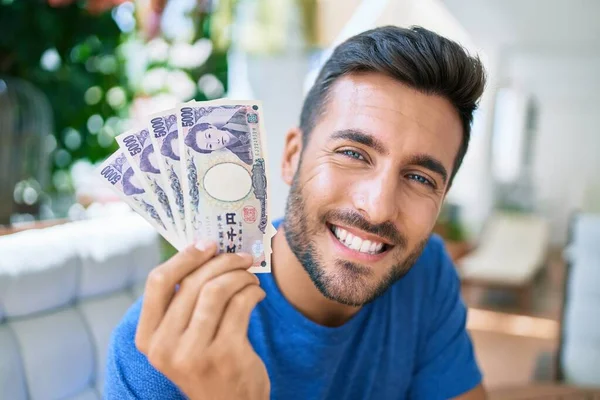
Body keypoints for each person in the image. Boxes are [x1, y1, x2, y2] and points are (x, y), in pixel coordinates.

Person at [105, 26, 487, 399]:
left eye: (420, 178)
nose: (378, 207)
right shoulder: (160, 351)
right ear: (291, 157)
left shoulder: (426, 272)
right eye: (353, 154)